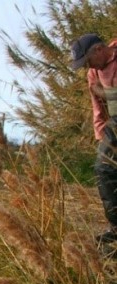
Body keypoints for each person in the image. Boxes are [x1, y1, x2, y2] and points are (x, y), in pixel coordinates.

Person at [70, 33, 117, 246]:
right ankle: (116, 229)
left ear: (99, 49)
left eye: (88, 61)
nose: (87, 67)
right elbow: (97, 108)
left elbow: (104, 96)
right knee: (104, 169)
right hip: (114, 124)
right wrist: (101, 138)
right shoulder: (93, 73)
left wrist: (107, 93)